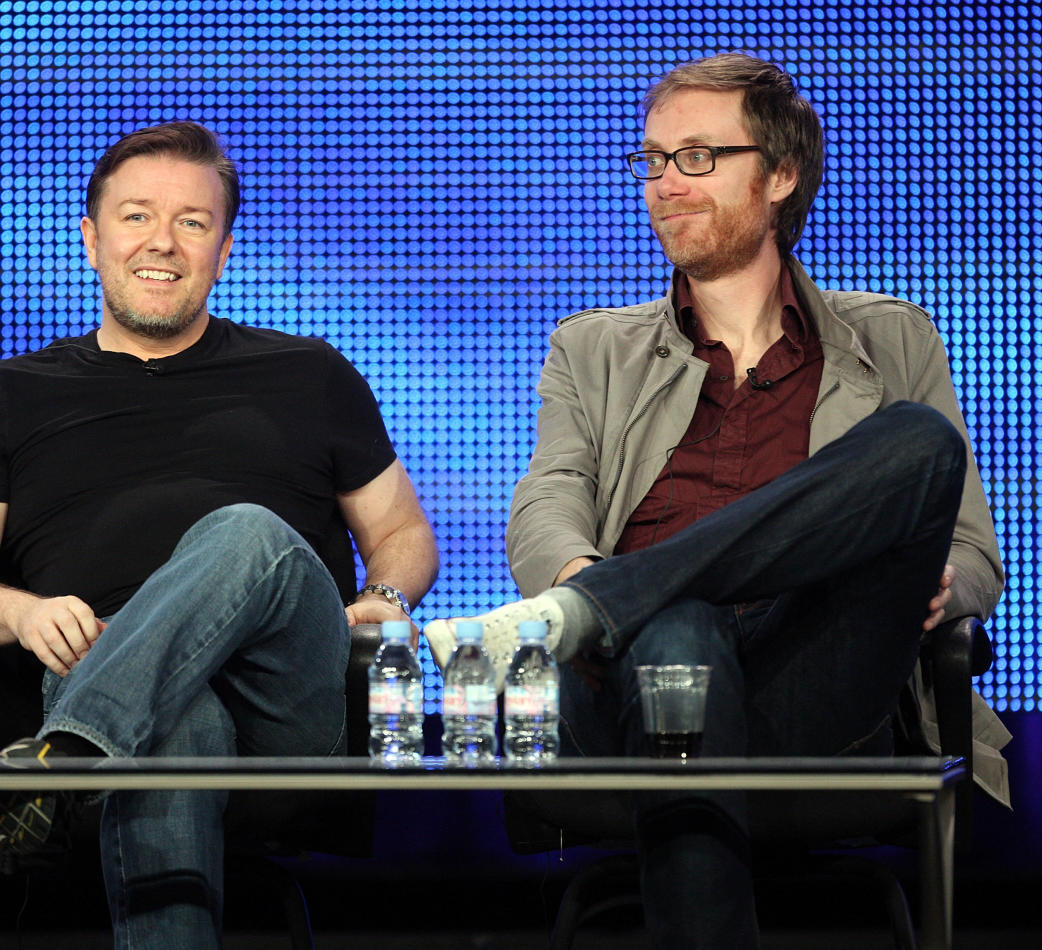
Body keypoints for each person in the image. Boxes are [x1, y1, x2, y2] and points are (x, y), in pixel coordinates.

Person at [424, 53, 1010, 948]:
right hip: (623, 686)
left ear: (780, 175)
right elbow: (548, 501)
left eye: (697, 157)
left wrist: (949, 587)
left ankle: (595, 609)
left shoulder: (891, 335)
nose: (666, 183)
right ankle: (620, 607)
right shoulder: (592, 349)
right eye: (654, 160)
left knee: (917, 444)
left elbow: (972, 553)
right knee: (679, 633)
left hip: (815, 672)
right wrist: (580, 566)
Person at [0, 121, 439, 948]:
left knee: (246, 533)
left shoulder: (310, 372)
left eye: (193, 222)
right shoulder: (11, 393)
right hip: (93, 669)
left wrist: (382, 593)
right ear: (90, 239)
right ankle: (86, 750)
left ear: (223, 250)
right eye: (136, 217)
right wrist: (21, 615)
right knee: (176, 720)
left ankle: (63, 761)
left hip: (279, 699)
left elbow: (402, 529)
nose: (164, 242)